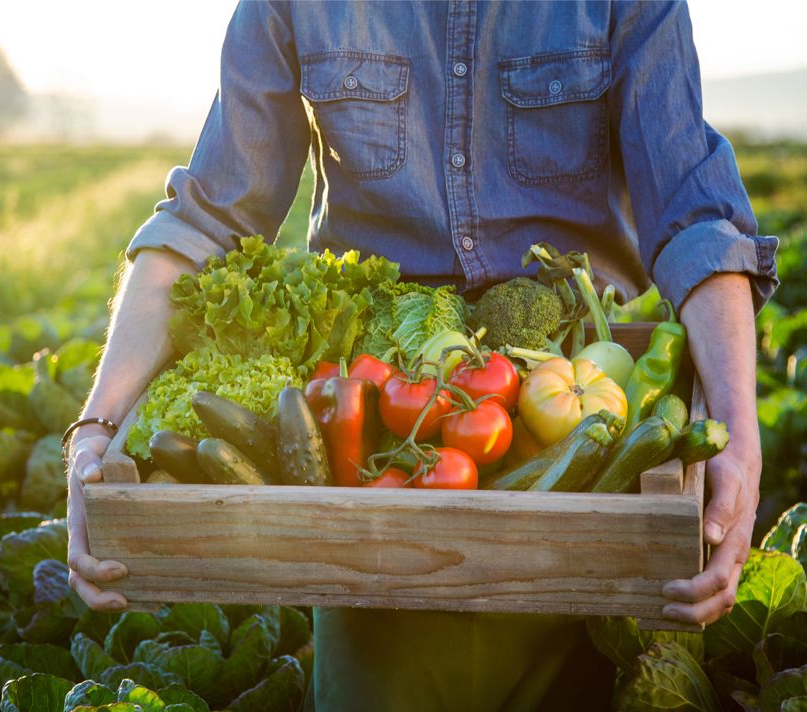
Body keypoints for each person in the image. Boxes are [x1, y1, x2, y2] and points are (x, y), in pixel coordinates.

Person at [65, 1, 778, 709]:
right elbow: (204, 218)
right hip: (373, 464)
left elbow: (697, 219)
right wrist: (95, 429)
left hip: (587, 442)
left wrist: (739, 440)